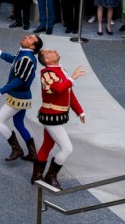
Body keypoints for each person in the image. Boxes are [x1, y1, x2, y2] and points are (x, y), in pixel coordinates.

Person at [31, 49, 87, 190]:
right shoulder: (46, 73)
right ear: (47, 60)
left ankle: (37, 176)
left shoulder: (61, 70)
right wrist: (72, 78)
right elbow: (57, 89)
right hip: (50, 117)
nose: (53, 51)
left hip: (56, 116)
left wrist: (80, 111)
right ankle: (51, 176)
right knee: (67, 148)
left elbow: (69, 93)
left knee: (47, 145)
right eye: (49, 52)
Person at [0, 34, 42, 162]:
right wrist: (0, 53)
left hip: (18, 97)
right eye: (28, 36)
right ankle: (33, 153)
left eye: (30, 38)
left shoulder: (27, 59)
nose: (26, 37)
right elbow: (14, 60)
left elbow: (19, 80)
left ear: (33, 46)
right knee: (19, 124)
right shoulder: (23, 53)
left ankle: (17, 149)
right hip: (21, 96)